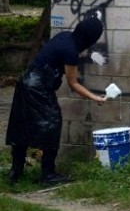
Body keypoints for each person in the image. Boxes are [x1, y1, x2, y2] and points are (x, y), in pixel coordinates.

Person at [6, 15, 107, 185]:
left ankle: (16, 170)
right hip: (38, 88)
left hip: (26, 81)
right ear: (91, 38)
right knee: (52, 124)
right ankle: (48, 174)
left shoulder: (65, 37)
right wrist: (95, 97)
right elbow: (73, 83)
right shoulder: (71, 51)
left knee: (22, 124)